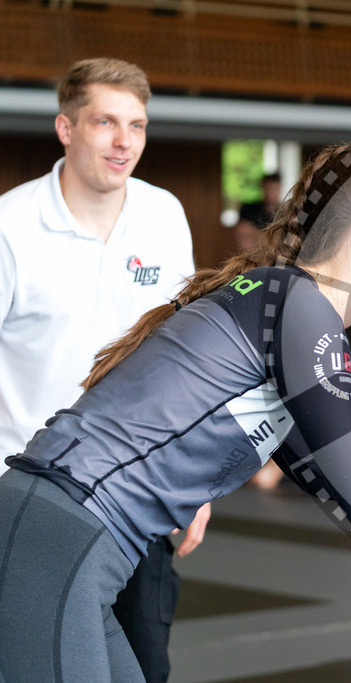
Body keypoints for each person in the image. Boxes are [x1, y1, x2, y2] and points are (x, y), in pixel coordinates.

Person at [0, 143, 351, 681]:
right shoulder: (298, 307)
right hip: (55, 542)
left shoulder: (287, 305)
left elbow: (338, 479)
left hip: (63, 544)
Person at [0, 57, 208, 683]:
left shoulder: (163, 214)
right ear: (66, 128)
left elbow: (186, 357)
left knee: (143, 668)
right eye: (105, 122)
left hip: (137, 495)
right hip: (31, 498)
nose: (124, 142)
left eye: (137, 126)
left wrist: (193, 482)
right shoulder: (10, 225)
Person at [233, 172, 282, 252]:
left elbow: (284, 241)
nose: (271, 192)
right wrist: (269, 239)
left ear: (280, 188)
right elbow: (242, 235)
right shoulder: (249, 209)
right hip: (251, 254)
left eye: (274, 188)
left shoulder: (286, 212)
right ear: (262, 187)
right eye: (269, 188)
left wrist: (254, 235)